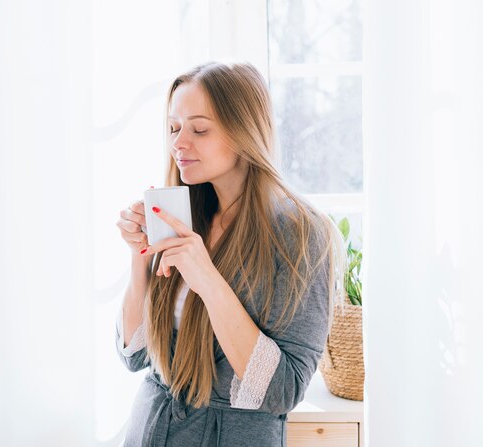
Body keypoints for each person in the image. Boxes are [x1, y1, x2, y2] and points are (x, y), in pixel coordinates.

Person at [114, 61, 347, 446]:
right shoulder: (184, 215)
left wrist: (207, 278)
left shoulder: (302, 234)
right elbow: (134, 357)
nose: (178, 143)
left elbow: (282, 391)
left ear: (244, 133)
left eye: (199, 129)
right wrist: (140, 262)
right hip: (150, 432)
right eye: (173, 128)